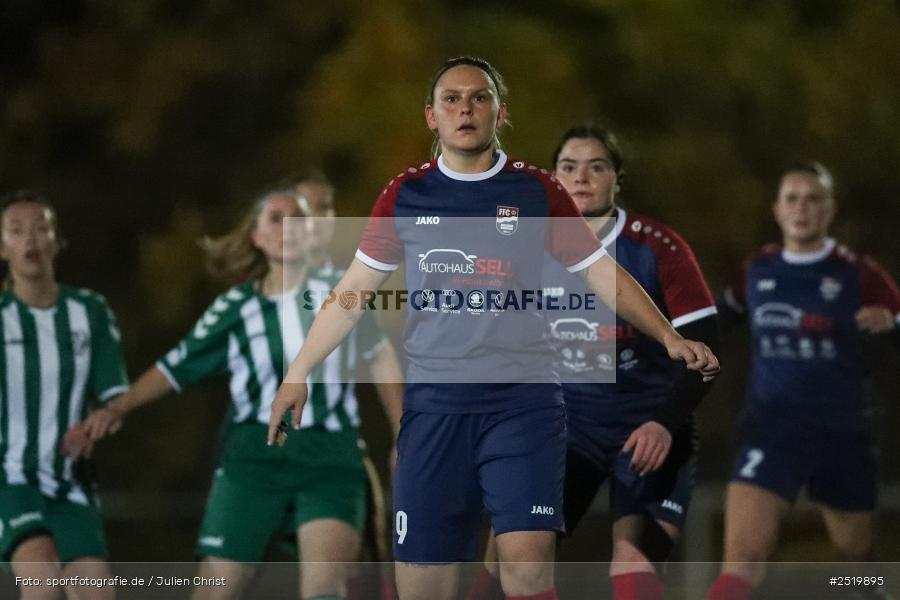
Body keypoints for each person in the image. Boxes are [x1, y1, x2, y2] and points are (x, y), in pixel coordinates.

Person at [267, 57, 720, 600]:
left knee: (526, 569)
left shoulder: (537, 192)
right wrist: (299, 371)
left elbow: (602, 273)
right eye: (451, 99)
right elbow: (351, 295)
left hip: (522, 405)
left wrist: (669, 336)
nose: (465, 109)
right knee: (423, 586)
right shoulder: (405, 195)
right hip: (436, 407)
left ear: (499, 113)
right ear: (431, 117)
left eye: (478, 98)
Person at [77, 176, 404, 600]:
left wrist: (404, 433)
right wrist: (118, 407)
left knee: (326, 589)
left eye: (298, 218)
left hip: (330, 454)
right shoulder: (235, 307)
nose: (288, 226)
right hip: (254, 456)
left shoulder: (343, 292)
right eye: (276, 218)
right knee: (218, 589)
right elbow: (175, 367)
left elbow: (380, 358)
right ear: (257, 236)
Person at [469, 125, 719, 600]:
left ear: (617, 178)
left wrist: (664, 422)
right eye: (568, 167)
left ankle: (863, 585)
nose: (581, 177)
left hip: (649, 430)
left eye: (596, 166)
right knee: (509, 559)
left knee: (632, 565)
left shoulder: (657, 247)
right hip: (566, 433)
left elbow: (706, 345)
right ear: (552, 178)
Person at [707, 161, 900, 600]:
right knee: (742, 558)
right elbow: (716, 320)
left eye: (813, 199)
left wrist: (892, 324)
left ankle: (867, 590)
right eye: (792, 198)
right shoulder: (757, 270)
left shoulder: (859, 273)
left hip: (842, 435)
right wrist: (665, 338)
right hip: (772, 431)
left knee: (857, 561)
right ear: (777, 210)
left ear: (829, 210)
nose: (802, 208)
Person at [0, 190, 128, 600]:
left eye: (41, 228)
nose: (30, 240)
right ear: (3, 247)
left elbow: (114, 398)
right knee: (42, 582)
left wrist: (98, 423)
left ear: (56, 241)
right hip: (9, 477)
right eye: (16, 231)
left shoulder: (89, 311)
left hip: (70, 481)